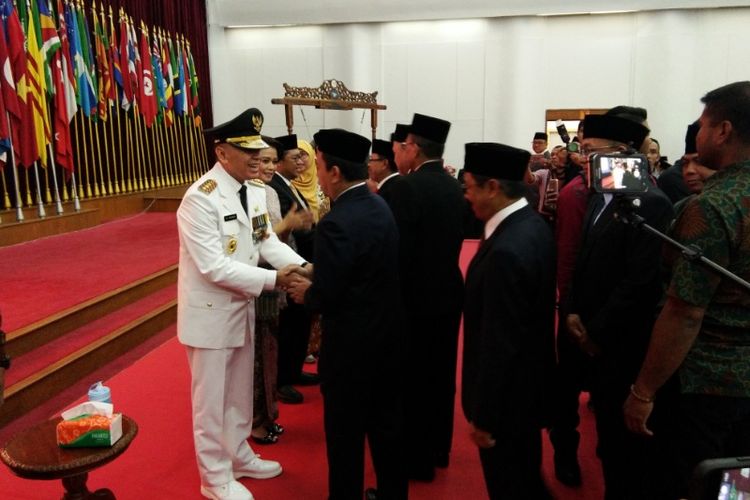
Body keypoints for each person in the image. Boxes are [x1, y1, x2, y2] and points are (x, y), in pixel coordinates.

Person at [623, 81, 750, 499]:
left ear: (723, 131)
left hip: (706, 384)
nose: (696, 134)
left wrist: (643, 391)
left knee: (691, 482)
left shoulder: (712, 206)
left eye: (701, 125)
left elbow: (684, 312)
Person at [176, 108, 307, 500]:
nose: (257, 158)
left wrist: (302, 265)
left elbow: (266, 241)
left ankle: (238, 455)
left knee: (237, 393)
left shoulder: (250, 191)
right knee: (210, 402)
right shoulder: (200, 200)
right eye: (247, 151)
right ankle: (214, 478)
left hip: (241, 308)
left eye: (259, 150)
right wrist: (275, 279)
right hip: (211, 316)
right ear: (221, 153)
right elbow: (213, 266)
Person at [287, 128, 408, 500]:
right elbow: (365, 270)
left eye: (319, 165)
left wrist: (307, 292)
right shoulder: (378, 204)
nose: (317, 173)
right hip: (386, 340)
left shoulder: (337, 221)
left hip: (351, 351)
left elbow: (330, 294)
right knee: (386, 431)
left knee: (345, 439)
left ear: (335, 172)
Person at [565, 113, 674, 499]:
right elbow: (583, 259)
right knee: (609, 439)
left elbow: (639, 281)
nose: (584, 160)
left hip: (622, 340)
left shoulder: (651, 202)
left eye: (593, 152)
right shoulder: (602, 195)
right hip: (592, 330)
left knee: (624, 451)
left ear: (623, 154)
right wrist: (574, 311)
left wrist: (595, 330)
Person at [462, 142, 556, 500]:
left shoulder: (507, 248)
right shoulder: (531, 224)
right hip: (526, 393)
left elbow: (499, 343)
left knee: (511, 484)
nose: (466, 195)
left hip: (508, 405)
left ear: (492, 187)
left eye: (469, 186)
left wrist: (485, 416)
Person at [388, 112, 465, 480]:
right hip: (448, 293)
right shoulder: (454, 185)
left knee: (413, 381)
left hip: (413, 299)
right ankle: (439, 449)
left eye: (402, 146)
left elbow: (398, 254)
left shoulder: (406, 187)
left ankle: (416, 461)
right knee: (441, 374)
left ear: (414, 148)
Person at [268, 134, 317, 405]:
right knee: (289, 325)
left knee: (300, 321)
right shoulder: (273, 186)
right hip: (290, 261)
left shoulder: (289, 183)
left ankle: (294, 370)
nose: (301, 161)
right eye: (294, 156)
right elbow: (289, 226)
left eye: (303, 156)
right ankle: (282, 379)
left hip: (300, 259)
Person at [368, 138, 401, 203]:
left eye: (371, 160)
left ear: (384, 164)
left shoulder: (392, 190)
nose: (368, 165)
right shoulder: (392, 185)